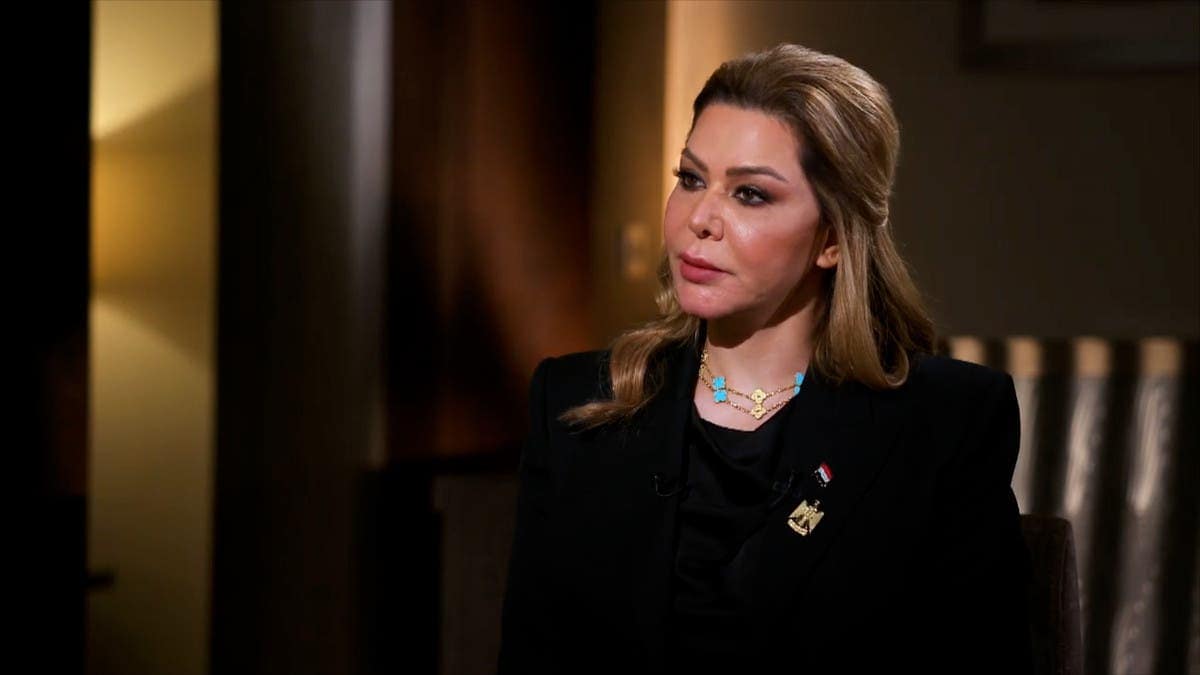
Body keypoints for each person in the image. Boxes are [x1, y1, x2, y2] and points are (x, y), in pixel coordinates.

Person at [498, 43, 1033, 674]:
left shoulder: (945, 422)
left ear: (832, 238)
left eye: (749, 194)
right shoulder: (575, 406)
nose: (700, 219)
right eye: (691, 179)